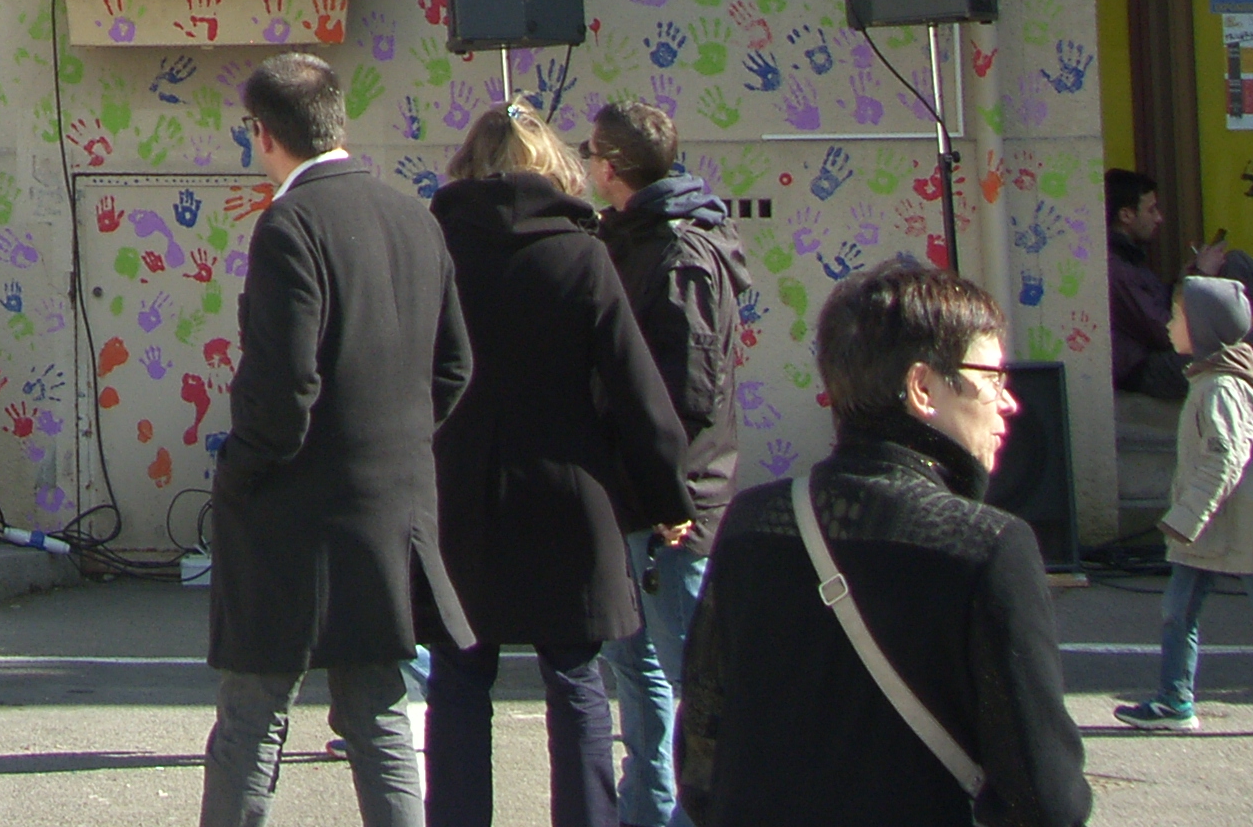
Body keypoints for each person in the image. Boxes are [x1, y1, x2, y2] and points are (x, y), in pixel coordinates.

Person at [676, 261, 1090, 827]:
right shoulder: (987, 545)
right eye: (993, 378)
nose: (1008, 401)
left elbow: (701, 756)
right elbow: (1046, 798)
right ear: (923, 387)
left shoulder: (753, 522)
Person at [203, 50, 473, 827]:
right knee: (380, 715)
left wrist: (242, 472)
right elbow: (454, 364)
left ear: (264, 134)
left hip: (294, 516)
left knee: (252, 718)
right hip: (393, 508)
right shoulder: (414, 216)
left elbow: (283, 387)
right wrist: (396, 440)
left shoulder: (290, 224)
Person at [427, 104, 691, 827]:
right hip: (569, 492)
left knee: (458, 675)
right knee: (576, 678)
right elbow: (638, 394)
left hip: (459, 491)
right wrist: (670, 498)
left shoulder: (437, 249)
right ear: (555, 167)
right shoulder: (582, 253)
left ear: (469, 166)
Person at [586, 102, 746, 827]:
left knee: (691, 677)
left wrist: (667, 496)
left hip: (673, 503)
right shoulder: (627, 237)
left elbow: (686, 396)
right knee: (634, 667)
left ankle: (703, 809)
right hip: (634, 494)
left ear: (610, 165)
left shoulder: (680, 252)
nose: (586, 165)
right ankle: (647, 810)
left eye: (590, 153)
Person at [1111, 274, 1253, 733]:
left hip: (1236, 521)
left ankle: (1175, 699)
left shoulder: (1220, 387)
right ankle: (1175, 700)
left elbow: (1224, 459)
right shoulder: (1212, 378)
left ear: (1204, 327)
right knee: (1179, 608)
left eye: (1176, 316)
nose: (1168, 325)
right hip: (1216, 524)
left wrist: (1186, 515)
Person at [1105, 169, 1253, 492]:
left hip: (1168, 343)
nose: (1160, 218)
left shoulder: (1130, 255)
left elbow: (1158, 309)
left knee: (1236, 264)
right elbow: (1165, 334)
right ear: (1126, 215)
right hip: (1149, 366)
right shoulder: (1114, 267)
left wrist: (1189, 279)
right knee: (1252, 343)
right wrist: (1196, 280)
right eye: (1151, 209)